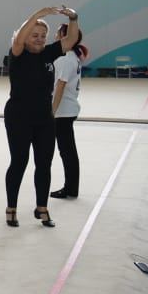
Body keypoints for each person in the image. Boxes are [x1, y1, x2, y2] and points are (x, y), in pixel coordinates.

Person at [4, 6, 80, 228]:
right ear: (25, 36)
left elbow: (71, 39)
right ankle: (11, 207)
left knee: (44, 163)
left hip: (44, 117)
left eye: (42, 36)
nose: (38, 39)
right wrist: (37, 15)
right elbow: (19, 39)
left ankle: (42, 207)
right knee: (19, 162)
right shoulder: (17, 53)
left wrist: (73, 17)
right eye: (34, 35)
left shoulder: (49, 53)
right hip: (18, 116)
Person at [51, 24, 87, 199]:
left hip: (63, 110)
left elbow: (60, 86)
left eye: (58, 33)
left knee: (67, 151)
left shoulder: (66, 58)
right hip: (67, 108)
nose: (55, 35)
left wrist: (52, 111)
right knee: (68, 150)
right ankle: (71, 187)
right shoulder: (72, 57)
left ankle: (70, 188)